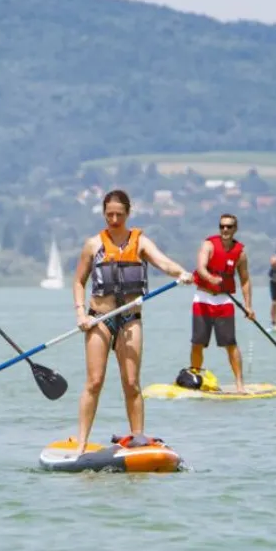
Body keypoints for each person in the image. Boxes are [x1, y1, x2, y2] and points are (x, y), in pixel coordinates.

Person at [72, 189, 194, 455]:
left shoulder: (140, 243)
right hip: (99, 319)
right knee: (94, 382)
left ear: (128, 213)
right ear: (103, 214)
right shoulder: (93, 245)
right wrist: (81, 314)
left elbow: (164, 263)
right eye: (109, 215)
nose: (114, 220)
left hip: (130, 319)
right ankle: (81, 443)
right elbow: (79, 282)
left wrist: (182, 273)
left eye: (119, 214)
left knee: (131, 382)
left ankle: (138, 439)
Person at [187, 213, 255, 393]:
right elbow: (201, 268)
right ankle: (195, 378)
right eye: (222, 226)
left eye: (229, 226)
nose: (225, 229)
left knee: (230, 343)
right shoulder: (208, 245)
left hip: (224, 300)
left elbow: (245, 280)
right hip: (203, 298)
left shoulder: (240, 253)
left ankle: (239, 384)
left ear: (235, 229)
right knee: (198, 342)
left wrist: (248, 306)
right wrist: (211, 278)